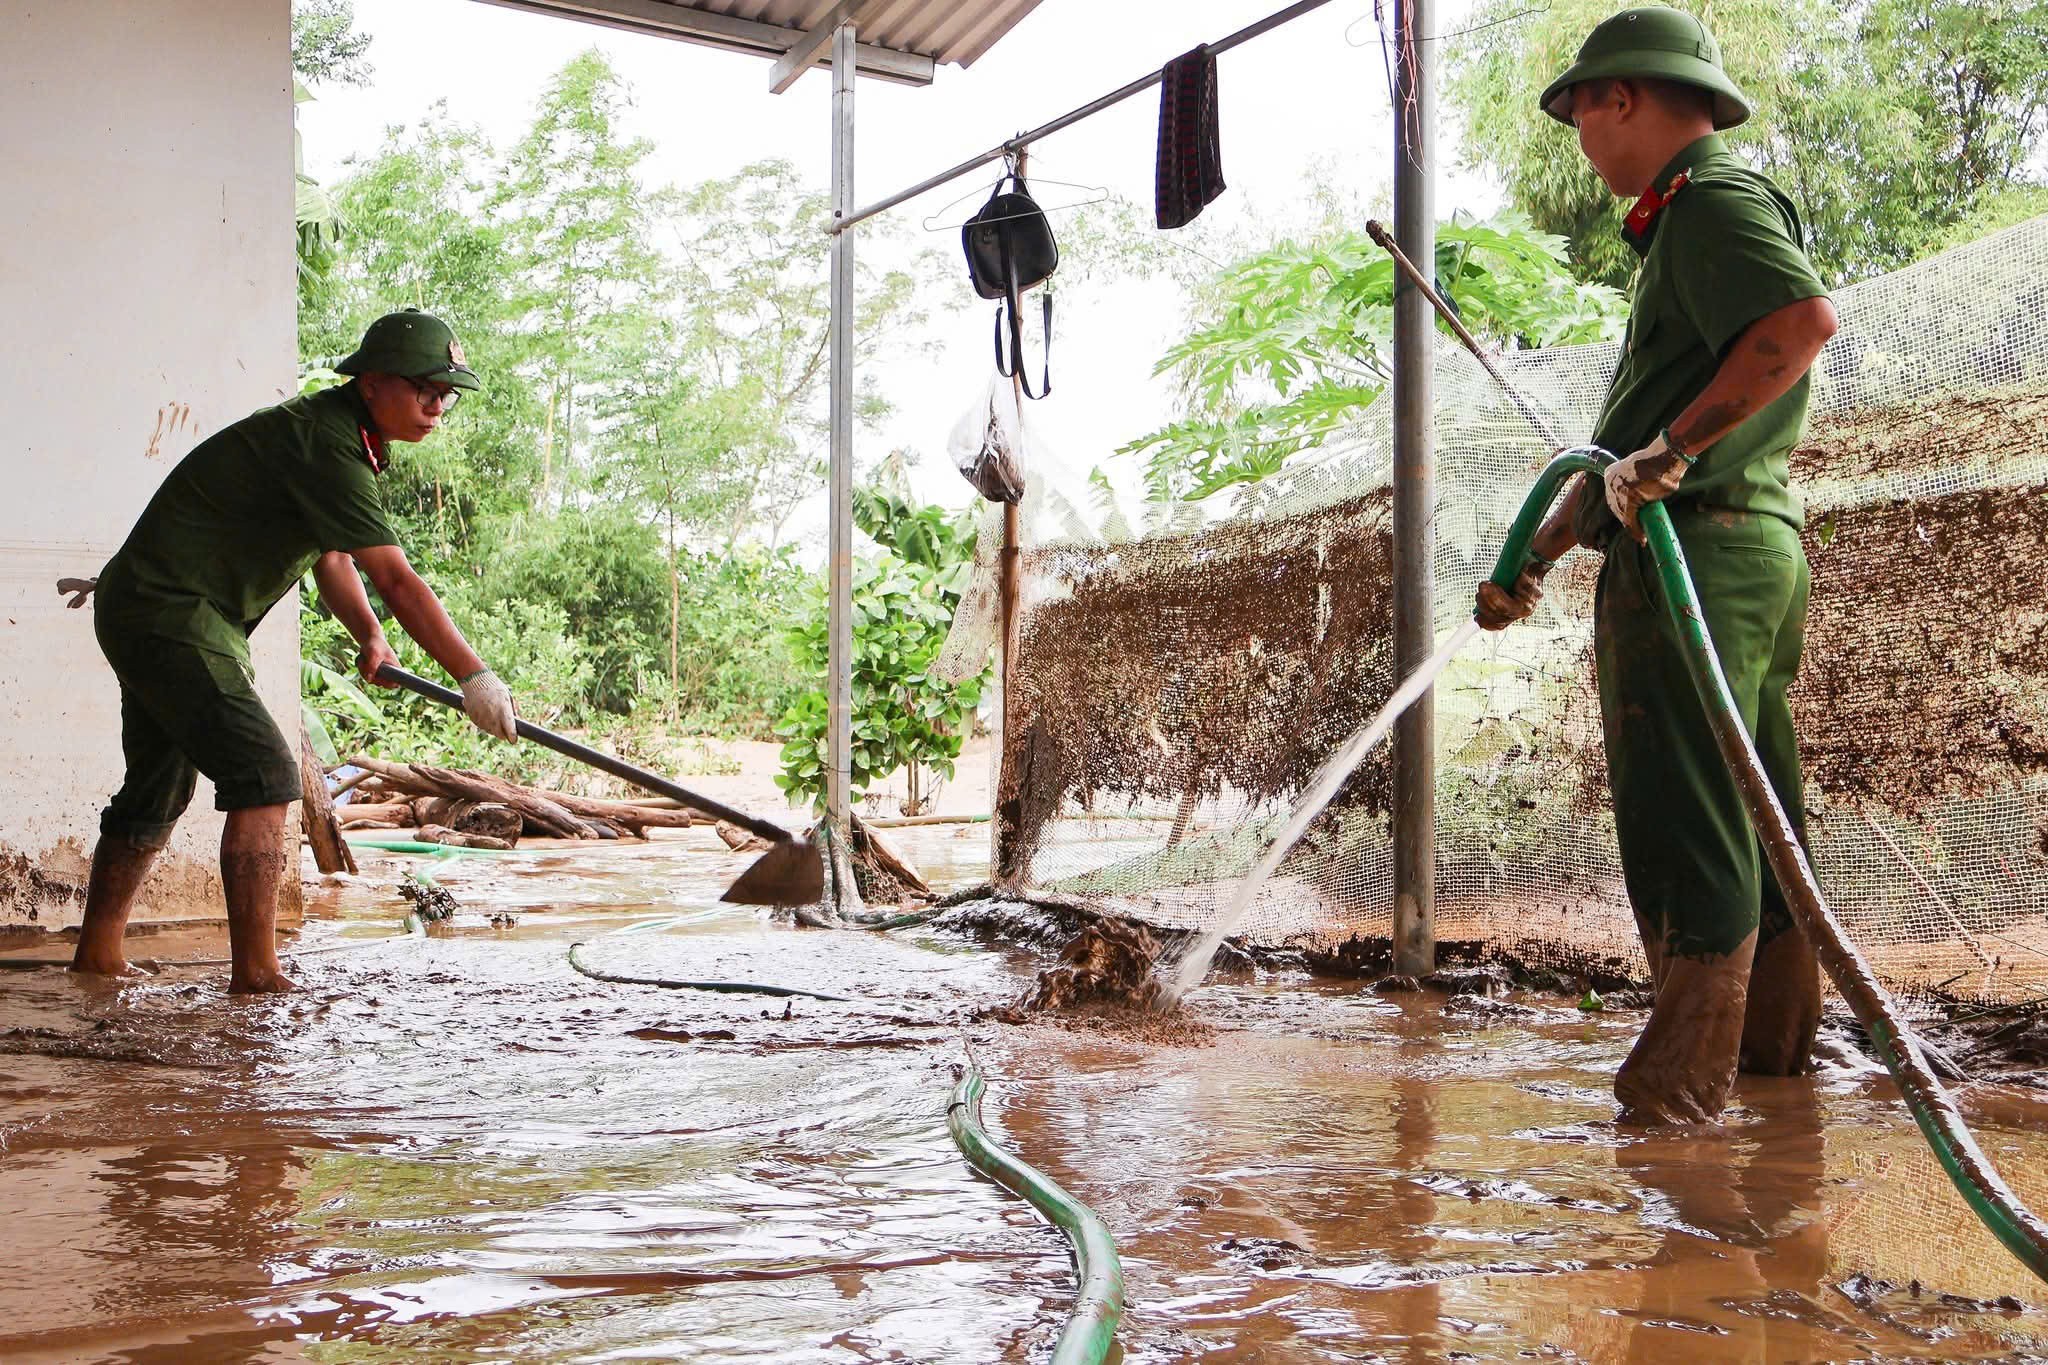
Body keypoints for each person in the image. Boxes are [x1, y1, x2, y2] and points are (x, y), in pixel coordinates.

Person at [1473, 7, 1840, 1123]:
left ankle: (1674, 1100)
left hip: (1698, 553)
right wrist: (1531, 555)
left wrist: (1674, 451)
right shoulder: (1687, 222)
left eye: (1580, 112)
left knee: (1685, 809)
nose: (1579, 140)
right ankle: (1773, 1070)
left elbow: (1795, 325)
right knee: (1755, 806)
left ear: (1618, 99)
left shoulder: (1712, 203)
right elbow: (1627, 449)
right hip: (1740, 546)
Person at [73, 309, 520, 994]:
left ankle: (97, 957)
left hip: (162, 606)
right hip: (170, 609)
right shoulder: (327, 441)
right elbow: (395, 575)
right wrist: (472, 673)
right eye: (424, 388)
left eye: (446, 393)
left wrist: (369, 635)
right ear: (371, 382)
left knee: (159, 786)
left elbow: (333, 556)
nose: (437, 405)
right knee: (264, 771)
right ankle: (257, 974)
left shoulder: (352, 440)